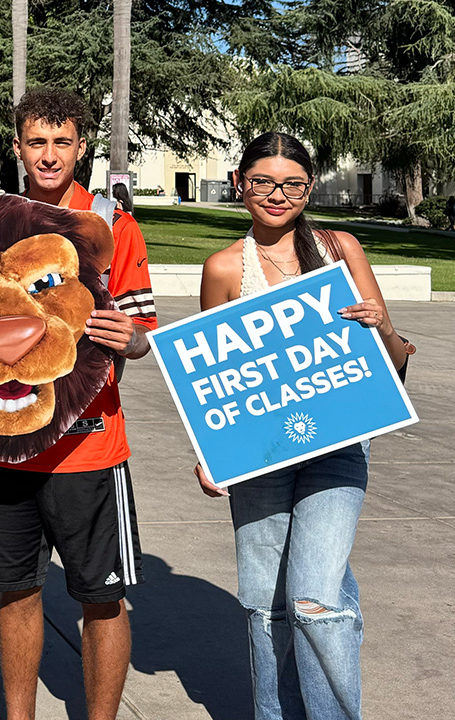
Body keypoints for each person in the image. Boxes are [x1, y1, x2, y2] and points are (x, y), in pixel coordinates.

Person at [0, 88, 158, 720]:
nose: (49, 155)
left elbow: (141, 334)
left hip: (89, 447)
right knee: (15, 594)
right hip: (7, 446)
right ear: (17, 147)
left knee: (101, 599)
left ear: (82, 147)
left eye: (62, 141)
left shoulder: (110, 225)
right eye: (36, 142)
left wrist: (134, 339)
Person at [195, 132, 411, 720]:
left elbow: (392, 362)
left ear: (308, 188)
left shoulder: (340, 249)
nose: (276, 194)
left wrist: (383, 328)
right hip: (261, 458)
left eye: (292, 184)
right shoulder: (222, 268)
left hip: (338, 449)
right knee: (266, 605)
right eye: (262, 181)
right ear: (240, 183)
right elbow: (214, 379)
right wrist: (211, 454)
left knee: (315, 597)